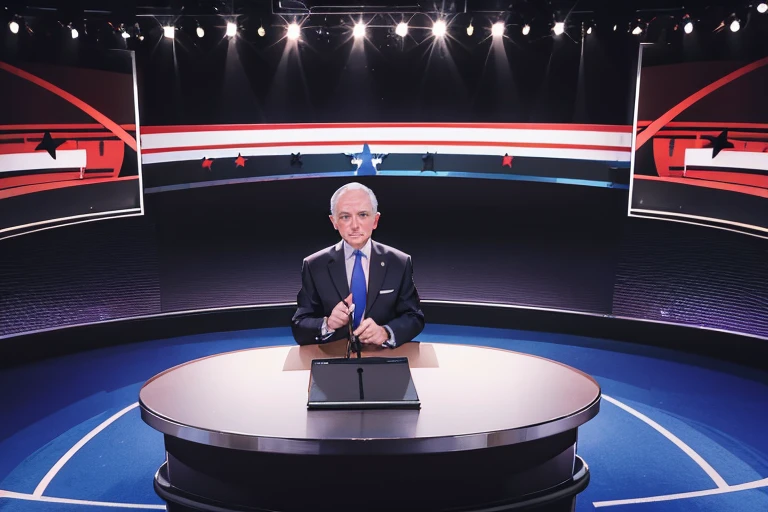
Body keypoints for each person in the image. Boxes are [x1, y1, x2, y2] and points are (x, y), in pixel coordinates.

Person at [291, 182, 424, 348]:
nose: (354, 225)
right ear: (334, 222)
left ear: (375, 220)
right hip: (333, 358)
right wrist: (328, 324)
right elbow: (299, 325)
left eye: (363, 215)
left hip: (382, 358)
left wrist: (386, 332)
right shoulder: (314, 265)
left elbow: (414, 317)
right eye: (345, 217)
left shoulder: (399, 262)